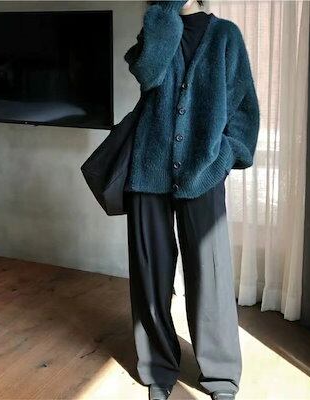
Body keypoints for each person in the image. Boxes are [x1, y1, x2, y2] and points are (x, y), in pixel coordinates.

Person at [123, 1, 260, 399]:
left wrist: (227, 155)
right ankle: (158, 370)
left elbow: (244, 107)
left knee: (210, 276)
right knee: (151, 274)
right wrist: (163, 12)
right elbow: (148, 73)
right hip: (148, 171)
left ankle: (220, 377)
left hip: (204, 173)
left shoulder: (225, 35)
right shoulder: (157, 26)